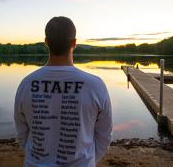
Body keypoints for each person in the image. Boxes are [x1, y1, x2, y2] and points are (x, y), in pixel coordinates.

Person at [14, 16, 112, 167]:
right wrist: (88, 162)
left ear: (46, 42)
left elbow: (22, 133)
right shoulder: (95, 86)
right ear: (74, 43)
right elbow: (104, 136)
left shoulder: (26, 84)